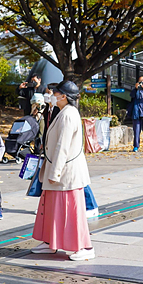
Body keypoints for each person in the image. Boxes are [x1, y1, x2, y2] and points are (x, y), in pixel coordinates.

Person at [31, 80, 95, 261]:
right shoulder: (64, 112)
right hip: (61, 171)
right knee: (50, 208)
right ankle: (50, 242)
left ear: (64, 96)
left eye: (56, 93)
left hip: (66, 174)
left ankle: (84, 246)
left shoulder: (68, 115)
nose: (52, 95)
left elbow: (62, 146)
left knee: (71, 211)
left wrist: (55, 172)